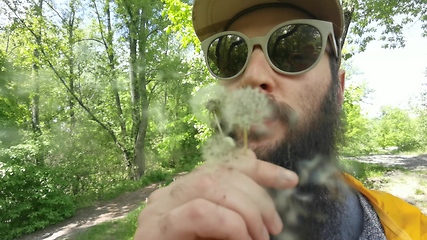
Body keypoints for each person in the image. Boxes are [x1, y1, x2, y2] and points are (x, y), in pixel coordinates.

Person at [134, 0, 427, 239]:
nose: (253, 76)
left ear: (337, 92)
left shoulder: (411, 229)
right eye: (231, 55)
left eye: (295, 51)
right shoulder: (183, 226)